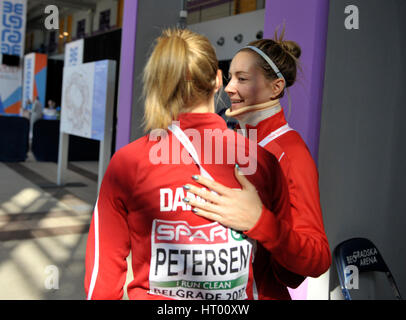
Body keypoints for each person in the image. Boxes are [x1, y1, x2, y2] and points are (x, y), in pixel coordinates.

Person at [85, 28, 296, 300]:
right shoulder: (261, 160)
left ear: (160, 85)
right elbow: (291, 272)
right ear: (218, 80)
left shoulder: (128, 163)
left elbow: (101, 281)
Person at [182, 32, 332, 293]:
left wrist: (259, 222)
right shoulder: (234, 141)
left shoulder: (291, 152)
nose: (229, 88)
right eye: (230, 78)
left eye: (242, 79)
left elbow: (318, 257)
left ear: (276, 87)